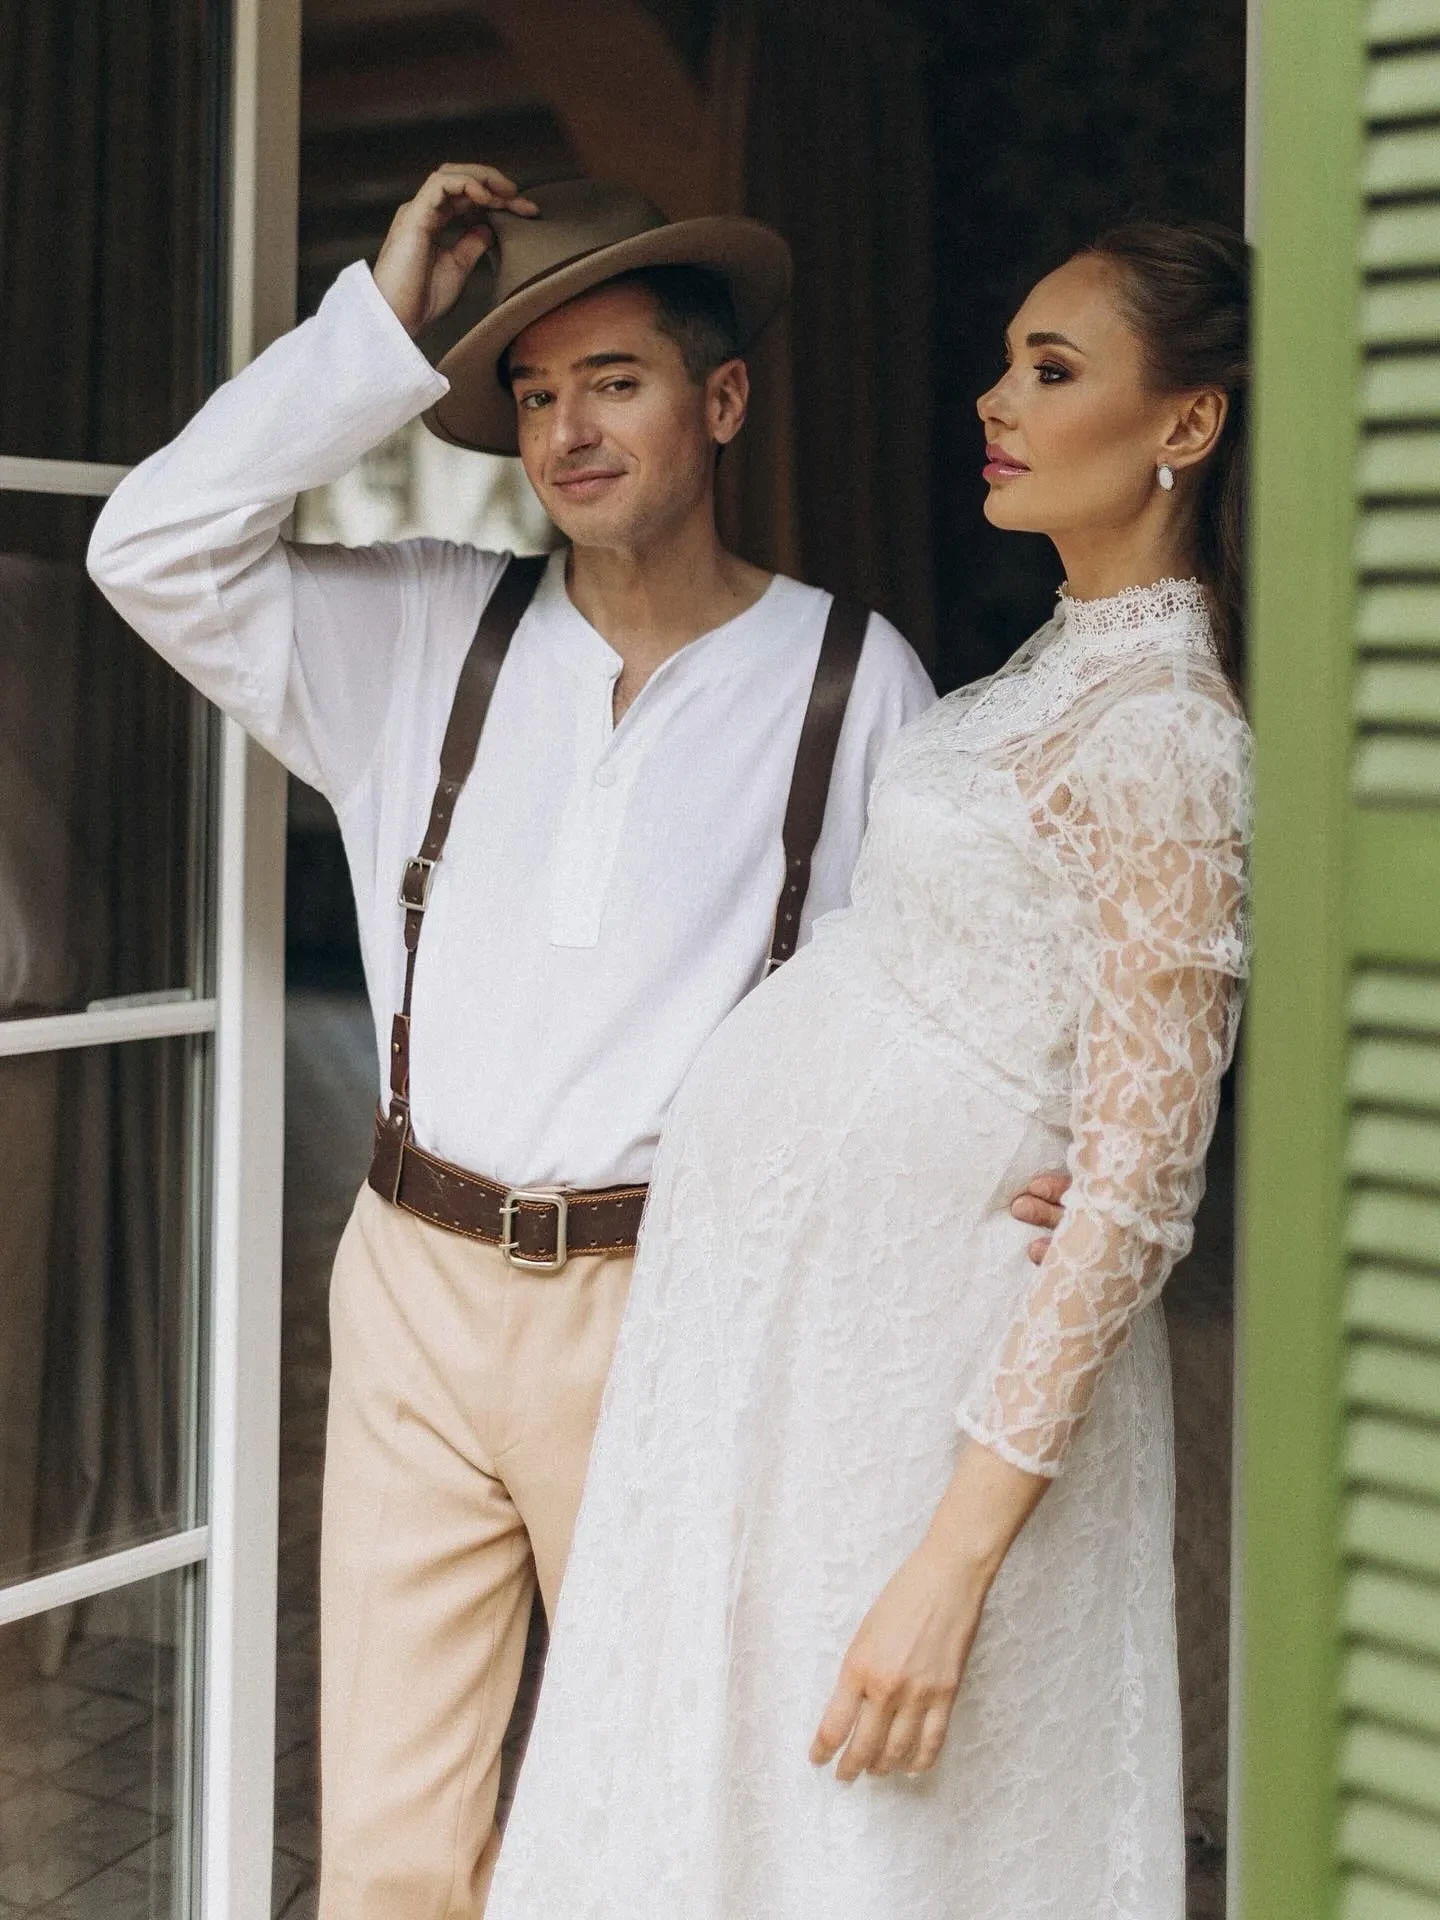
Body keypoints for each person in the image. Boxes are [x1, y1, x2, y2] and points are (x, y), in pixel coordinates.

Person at [87, 166, 1068, 1914]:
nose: (568, 431)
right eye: (535, 395)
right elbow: (146, 545)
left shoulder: (852, 681)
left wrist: (1026, 1191)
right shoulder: (417, 628)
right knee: (389, 1846)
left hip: (674, 1301)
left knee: (662, 1822)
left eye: (614, 381)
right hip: (411, 1276)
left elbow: (930, 1020)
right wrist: (384, 324)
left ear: (723, 399)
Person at [484, 220, 1253, 1920]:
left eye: (1052, 368)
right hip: (812, 1361)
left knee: (880, 1843)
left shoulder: (1169, 734)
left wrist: (950, 1566)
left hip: (932, 1397)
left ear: (1185, 425)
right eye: (1007, 359)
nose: (995, 398)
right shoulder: (1055, 668)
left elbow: (1140, 1186)